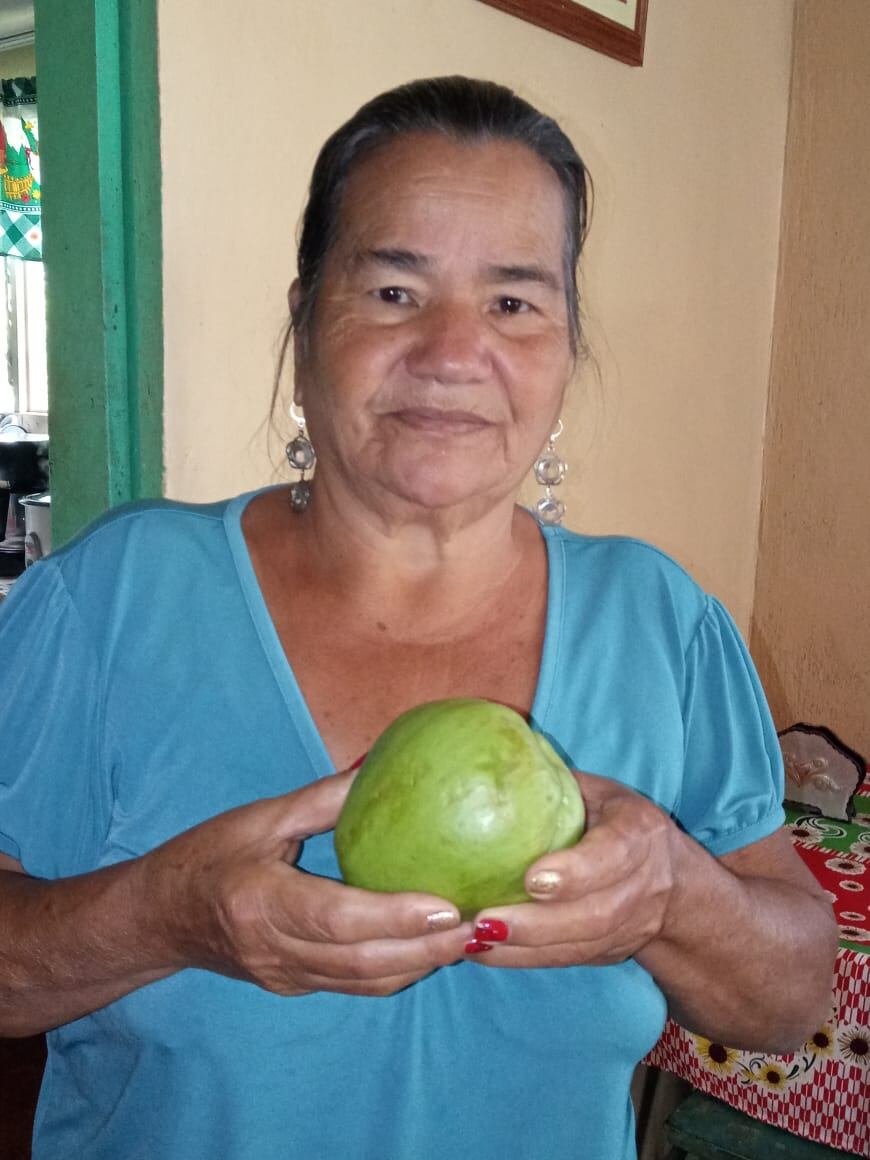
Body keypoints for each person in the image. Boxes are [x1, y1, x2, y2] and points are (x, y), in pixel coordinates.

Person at [0, 76, 836, 1160]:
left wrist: (671, 892)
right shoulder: (115, 598)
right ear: (305, 322)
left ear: (565, 348)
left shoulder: (660, 619)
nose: (452, 351)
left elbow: (786, 997)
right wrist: (166, 915)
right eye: (395, 291)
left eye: (513, 301)